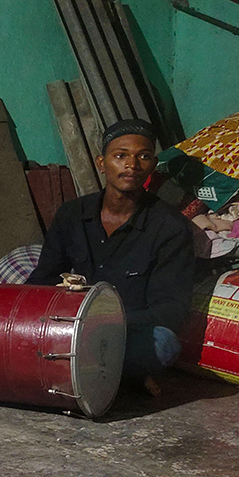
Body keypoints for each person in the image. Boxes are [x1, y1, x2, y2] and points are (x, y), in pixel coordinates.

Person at [28, 119, 195, 393]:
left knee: (162, 344)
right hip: (67, 329)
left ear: (152, 166)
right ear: (101, 163)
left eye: (143, 156)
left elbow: (171, 310)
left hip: (122, 335)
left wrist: (104, 322)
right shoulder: (72, 215)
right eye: (120, 156)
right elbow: (44, 277)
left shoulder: (169, 227)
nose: (132, 165)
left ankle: (82, 373)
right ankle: (108, 378)